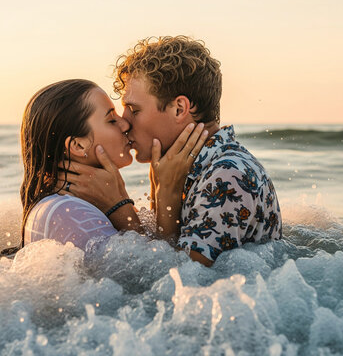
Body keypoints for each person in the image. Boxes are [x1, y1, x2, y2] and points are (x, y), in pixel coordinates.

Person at [66, 36, 282, 266]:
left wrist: (119, 207)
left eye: (133, 109)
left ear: (179, 109)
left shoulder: (226, 176)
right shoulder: (185, 165)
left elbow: (179, 282)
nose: (125, 122)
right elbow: (165, 251)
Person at [0, 79, 207, 256]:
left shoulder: (71, 204)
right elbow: (154, 276)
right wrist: (126, 206)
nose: (125, 124)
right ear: (78, 146)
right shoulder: (69, 213)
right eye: (111, 119)